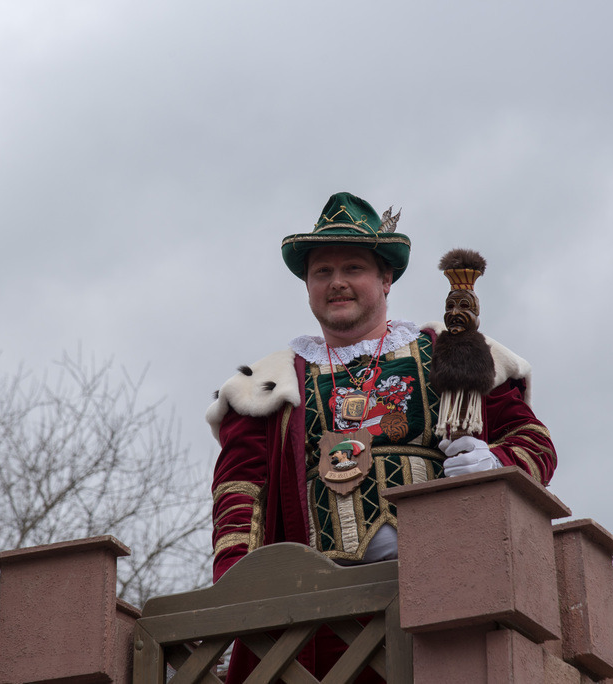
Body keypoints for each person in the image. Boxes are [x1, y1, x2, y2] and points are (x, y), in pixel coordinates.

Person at [206, 192, 557, 680]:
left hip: (443, 601)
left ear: (386, 279)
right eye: (322, 272)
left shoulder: (449, 351)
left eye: (353, 268)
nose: (337, 282)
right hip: (315, 624)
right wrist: (236, 594)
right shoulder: (268, 384)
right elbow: (239, 492)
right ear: (307, 285)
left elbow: (534, 443)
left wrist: (496, 462)